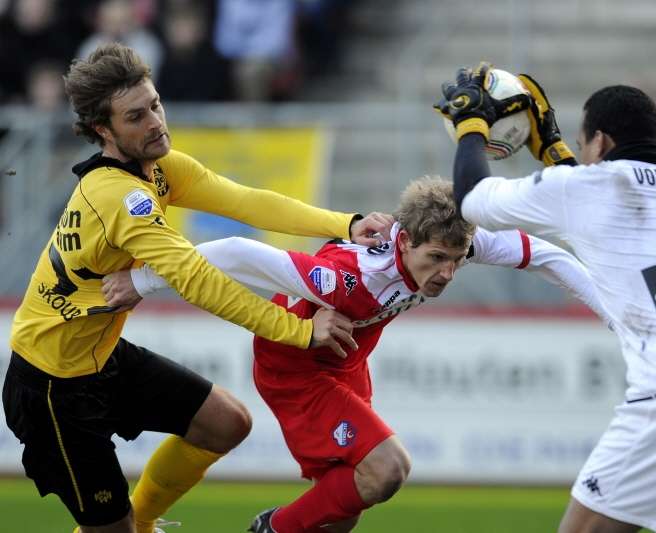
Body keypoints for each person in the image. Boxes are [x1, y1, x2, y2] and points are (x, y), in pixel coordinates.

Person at [2, 42, 392, 533]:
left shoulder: (160, 168)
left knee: (226, 423)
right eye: (136, 117)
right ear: (103, 130)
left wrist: (345, 223)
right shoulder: (118, 197)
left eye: (155, 105)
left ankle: (143, 523)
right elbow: (196, 279)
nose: (155, 123)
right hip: (52, 387)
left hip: (99, 358)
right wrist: (297, 331)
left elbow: (247, 202)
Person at [103, 176, 613, 533]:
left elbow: (545, 255)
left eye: (457, 261)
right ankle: (272, 529)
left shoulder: (452, 240)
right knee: (388, 469)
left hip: (346, 363)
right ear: (405, 241)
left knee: (343, 509)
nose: (446, 273)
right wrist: (143, 281)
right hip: (296, 369)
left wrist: (617, 316)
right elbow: (235, 252)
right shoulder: (351, 278)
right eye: (437, 259)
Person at [438, 64, 656, 533]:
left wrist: (470, 123)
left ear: (601, 141)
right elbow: (606, 202)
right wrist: (555, 149)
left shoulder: (583, 188)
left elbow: (473, 197)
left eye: (585, 145)